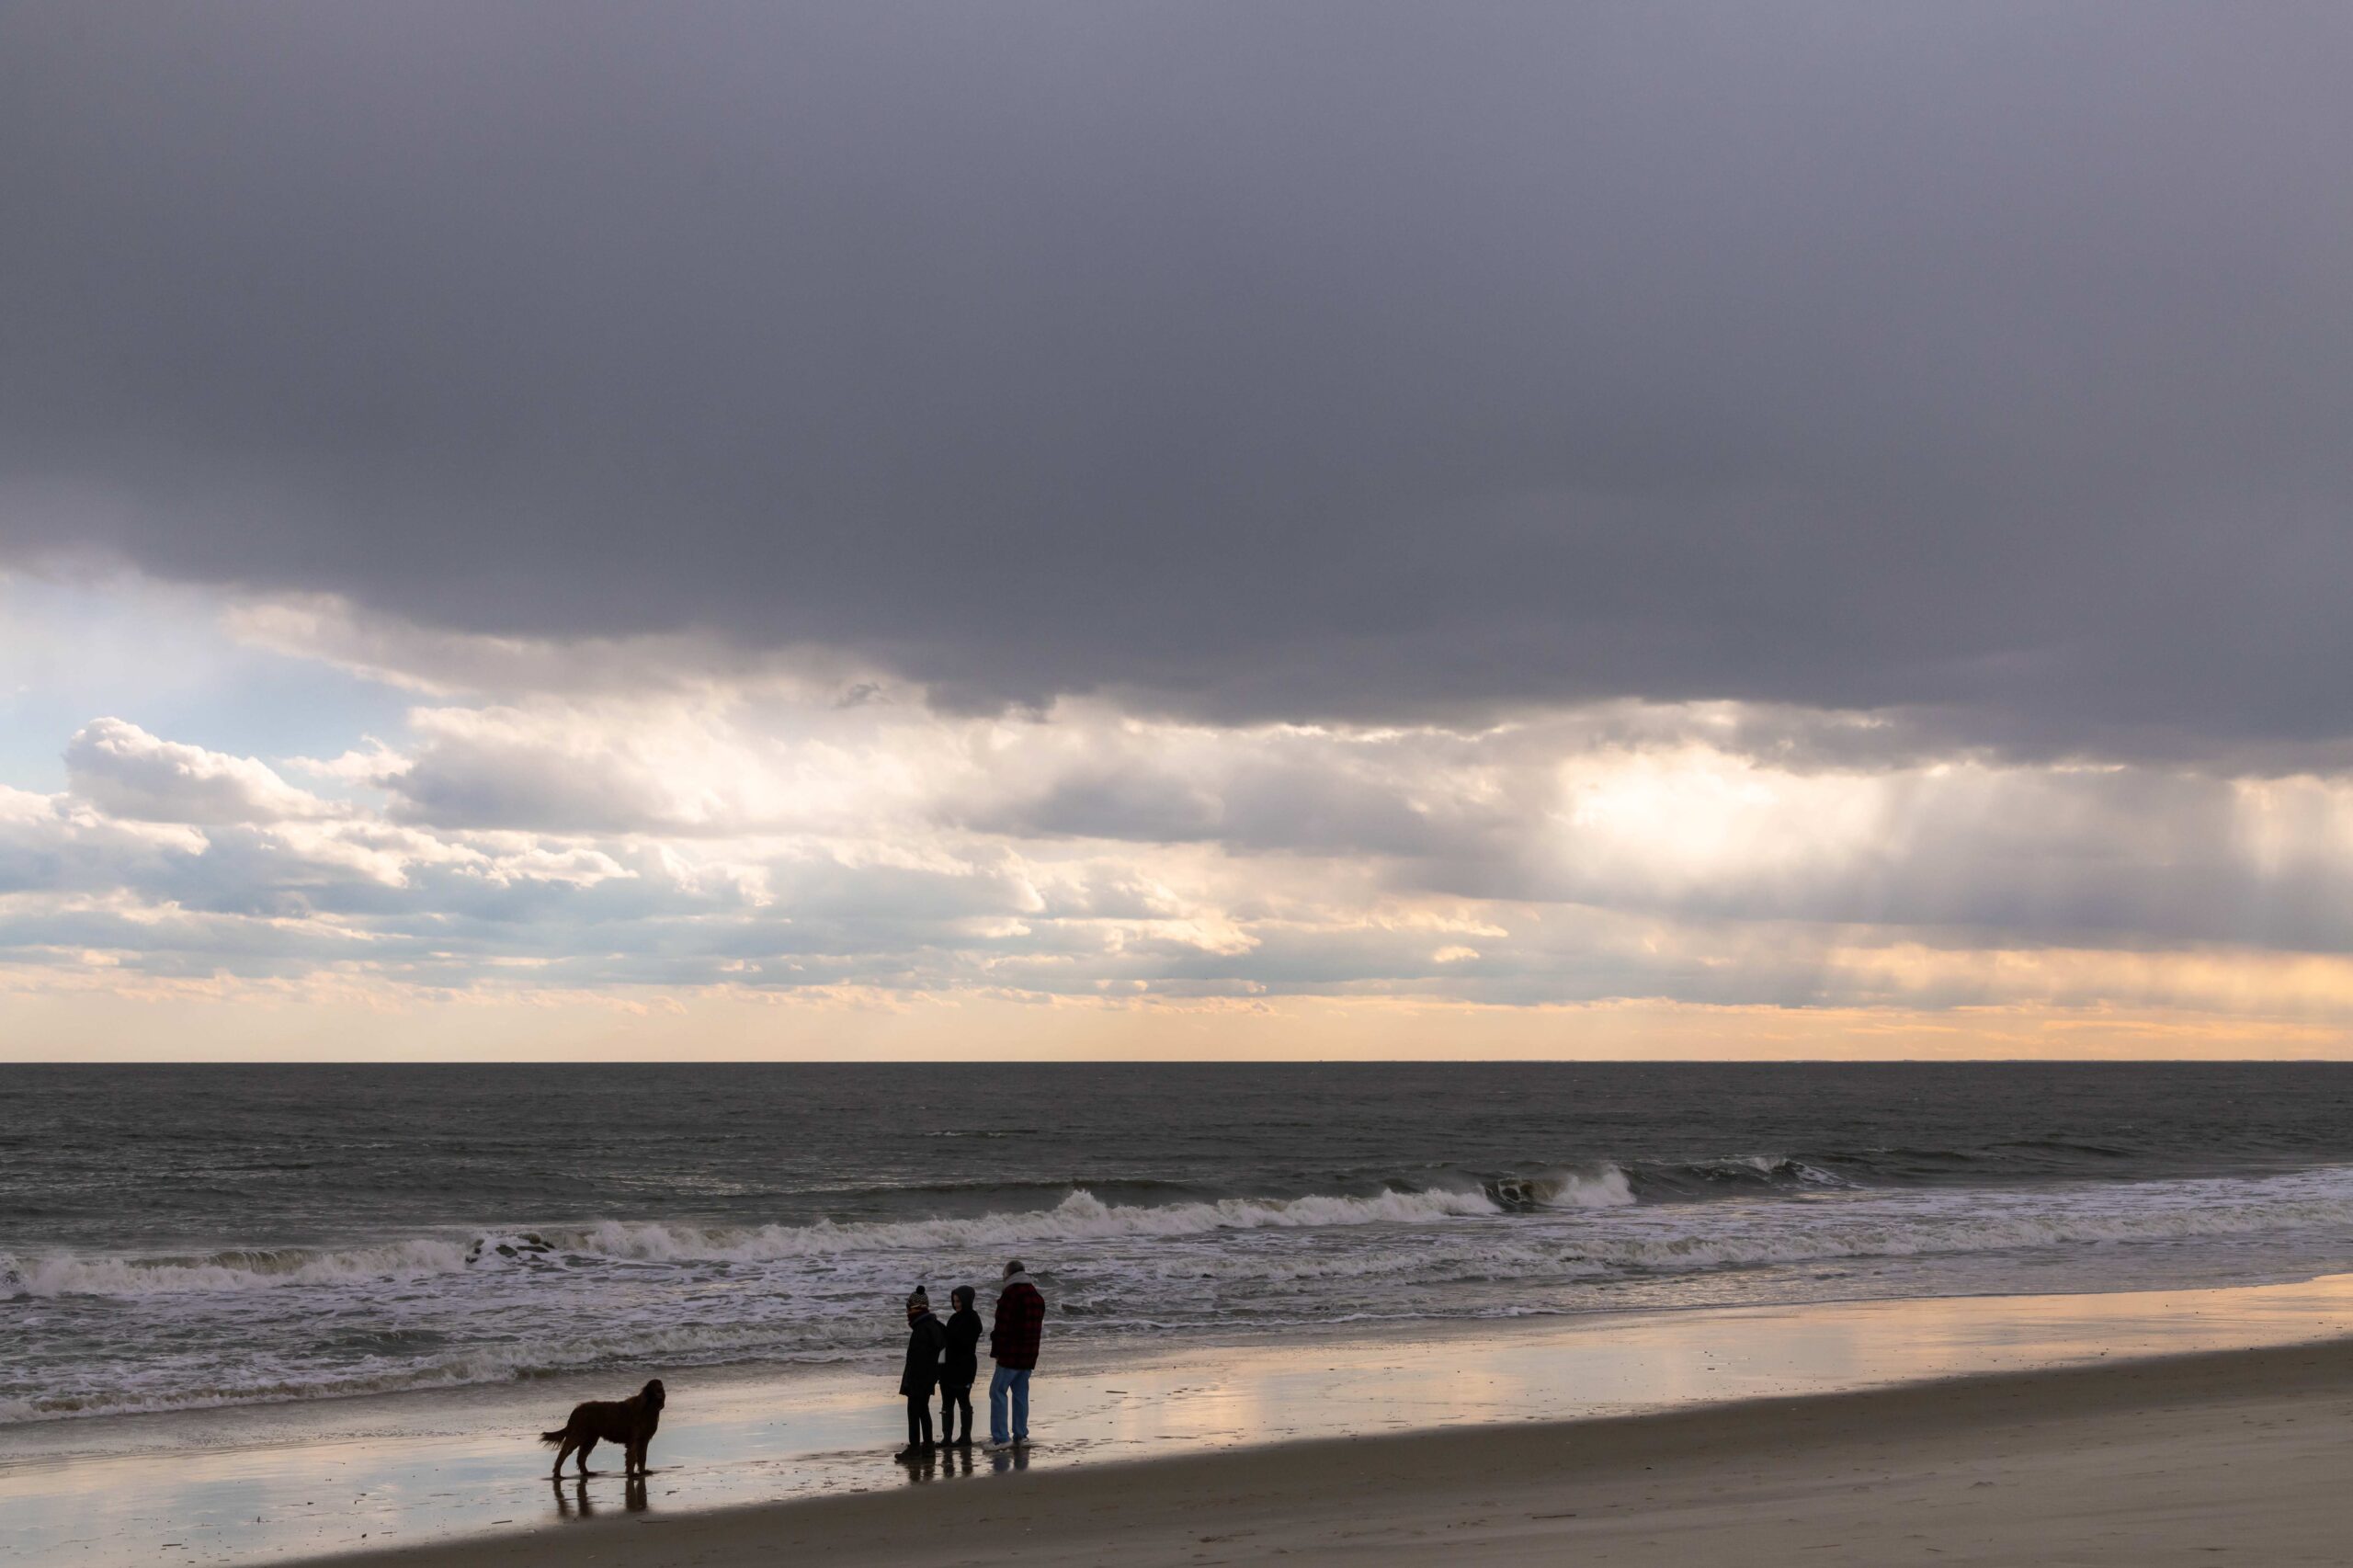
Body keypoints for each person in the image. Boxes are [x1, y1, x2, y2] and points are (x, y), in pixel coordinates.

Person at [985, 1258, 1045, 1449]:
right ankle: (1021, 1435)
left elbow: (1002, 1328)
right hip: (1029, 1355)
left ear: (1008, 1275)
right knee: (1020, 1394)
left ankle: (1001, 1438)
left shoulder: (1010, 1295)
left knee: (997, 1391)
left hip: (1010, 1354)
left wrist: (997, 1353)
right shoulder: (1036, 1296)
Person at [895, 1286, 946, 1460]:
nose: (907, 1313)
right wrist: (936, 1374)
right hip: (930, 1377)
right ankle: (929, 1446)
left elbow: (917, 1359)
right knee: (923, 1410)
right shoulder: (937, 1326)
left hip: (918, 1378)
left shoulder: (921, 1330)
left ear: (914, 1309)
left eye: (908, 1308)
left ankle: (915, 1447)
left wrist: (912, 1380)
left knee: (914, 1410)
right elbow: (942, 1356)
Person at [938, 1285, 983, 1447]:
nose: (956, 1304)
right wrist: (940, 1366)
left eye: (959, 1301)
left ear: (967, 1300)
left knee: (963, 1400)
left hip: (964, 1367)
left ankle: (965, 1436)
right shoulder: (954, 1318)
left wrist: (947, 1338)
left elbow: (963, 1342)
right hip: (948, 1367)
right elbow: (945, 1344)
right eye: (954, 1301)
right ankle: (946, 1437)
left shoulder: (973, 1319)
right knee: (946, 1402)